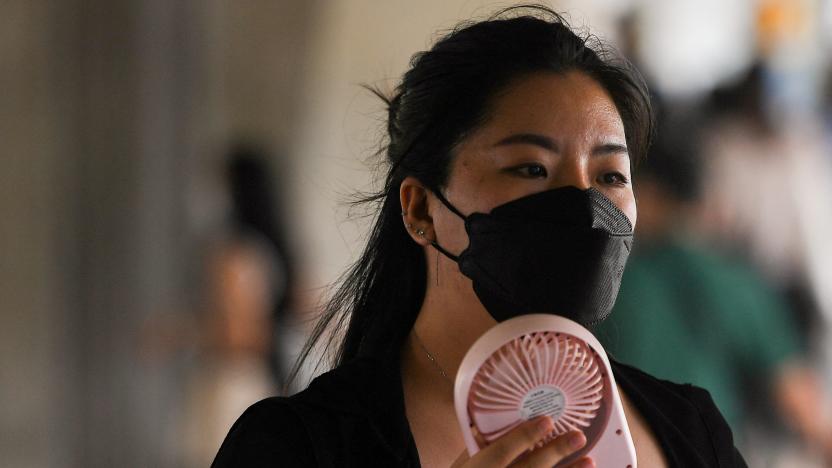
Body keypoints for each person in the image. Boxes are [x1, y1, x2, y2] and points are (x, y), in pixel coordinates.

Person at [212, 7, 746, 467]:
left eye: (610, 176)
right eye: (530, 169)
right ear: (420, 208)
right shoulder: (297, 447)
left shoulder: (690, 431)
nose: (584, 206)